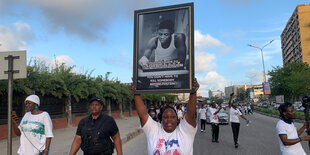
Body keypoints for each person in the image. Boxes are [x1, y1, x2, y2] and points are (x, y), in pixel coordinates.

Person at [131, 78, 199, 155]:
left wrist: (193, 92)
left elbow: (190, 114)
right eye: (165, 117)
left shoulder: (185, 131)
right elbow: (143, 115)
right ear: (161, 119)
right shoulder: (154, 130)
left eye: (173, 117)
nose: (169, 119)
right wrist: (136, 93)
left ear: (177, 119)